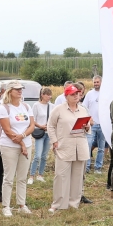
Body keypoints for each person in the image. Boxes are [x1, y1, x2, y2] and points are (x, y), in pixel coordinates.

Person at [47, 84, 89, 212]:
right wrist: (54, 141)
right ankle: (58, 203)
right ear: (66, 96)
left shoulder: (83, 110)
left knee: (77, 176)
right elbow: (50, 126)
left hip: (80, 146)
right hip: (64, 145)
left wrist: (87, 127)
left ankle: (73, 203)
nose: (76, 96)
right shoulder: (58, 109)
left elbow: (87, 126)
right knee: (61, 176)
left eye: (77, 93)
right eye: (73, 94)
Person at [0, 81, 34, 217]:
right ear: (9, 91)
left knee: (22, 177)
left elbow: (32, 125)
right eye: (17, 89)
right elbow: (7, 130)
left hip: (27, 143)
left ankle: (22, 204)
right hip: (9, 146)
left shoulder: (26, 106)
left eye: (21, 89)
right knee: (9, 177)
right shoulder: (4, 108)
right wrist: (21, 143)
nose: (20, 91)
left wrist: (23, 137)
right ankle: (6, 206)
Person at [29, 87, 53, 184]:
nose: (49, 97)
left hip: (48, 133)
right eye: (47, 95)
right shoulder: (36, 105)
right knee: (37, 155)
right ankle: (31, 176)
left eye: (50, 95)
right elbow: (32, 120)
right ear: (42, 95)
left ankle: (40, 175)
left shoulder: (52, 106)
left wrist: (49, 126)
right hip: (40, 132)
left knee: (44, 156)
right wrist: (41, 126)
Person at [82, 76, 106, 173]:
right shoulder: (89, 94)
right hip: (92, 124)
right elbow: (84, 107)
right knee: (88, 145)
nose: (96, 84)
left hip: (103, 125)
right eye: (94, 82)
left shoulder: (105, 94)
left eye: (97, 82)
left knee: (101, 148)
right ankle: (87, 167)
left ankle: (98, 167)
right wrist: (89, 119)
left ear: (101, 82)